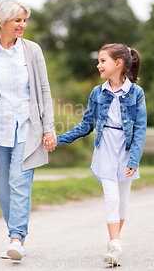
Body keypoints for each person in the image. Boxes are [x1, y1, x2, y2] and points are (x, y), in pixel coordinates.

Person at [44, 43, 147, 266]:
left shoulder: (136, 93)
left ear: (118, 63)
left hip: (126, 150)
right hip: (105, 148)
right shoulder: (97, 93)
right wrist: (59, 140)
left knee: (123, 202)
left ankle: (114, 243)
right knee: (111, 195)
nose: (98, 64)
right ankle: (116, 244)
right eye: (99, 60)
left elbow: (140, 130)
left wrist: (134, 160)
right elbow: (85, 125)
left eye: (103, 60)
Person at [0, 0, 57, 261]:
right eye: (17, 20)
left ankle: (16, 239)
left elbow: (43, 89)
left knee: (20, 184)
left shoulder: (32, 51)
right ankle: (15, 234)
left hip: (27, 128)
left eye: (24, 20)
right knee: (4, 188)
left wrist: (48, 127)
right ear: (1, 22)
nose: (23, 25)